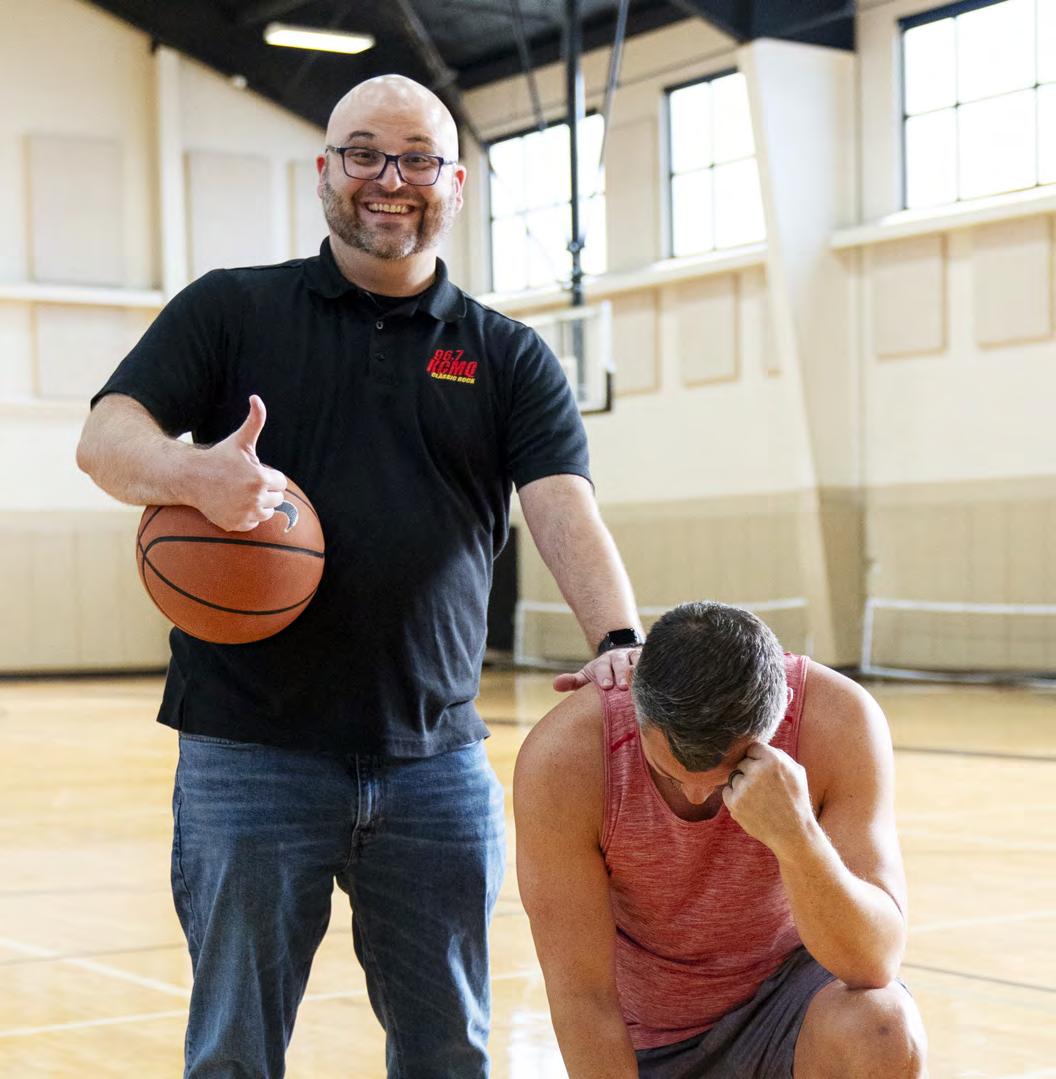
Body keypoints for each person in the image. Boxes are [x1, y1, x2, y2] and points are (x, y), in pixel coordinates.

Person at [76, 74, 643, 1078]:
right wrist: (190, 474)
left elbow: (563, 503)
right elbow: (105, 437)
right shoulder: (232, 308)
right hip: (250, 750)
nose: (390, 178)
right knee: (233, 1055)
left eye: (418, 157)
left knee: (448, 1053)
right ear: (324, 170)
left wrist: (619, 639)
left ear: (455, 182)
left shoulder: (507, 355)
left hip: (436, 760)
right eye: (365, 153)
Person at [514, 601, 928, 1078]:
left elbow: (874, 963)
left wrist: (798, 838)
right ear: (636, 704)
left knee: (883, 1028)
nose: (696, 795)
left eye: (726, 777)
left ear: (779, 715)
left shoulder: (838, 718)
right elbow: (583, 1000)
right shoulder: (566, 757)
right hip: (648, 1038)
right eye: (670, 774)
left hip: (788, 1011)